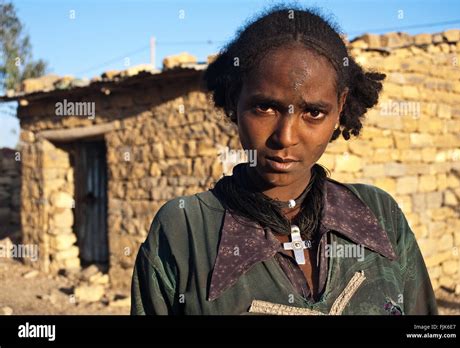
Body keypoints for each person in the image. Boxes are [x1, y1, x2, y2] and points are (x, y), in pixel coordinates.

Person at [131, 4, 438, 315]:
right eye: (265, 108)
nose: (286, 137)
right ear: (235, 98)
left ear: (340, 107)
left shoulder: (379, 215)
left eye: (314, 113)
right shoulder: (186, 230)